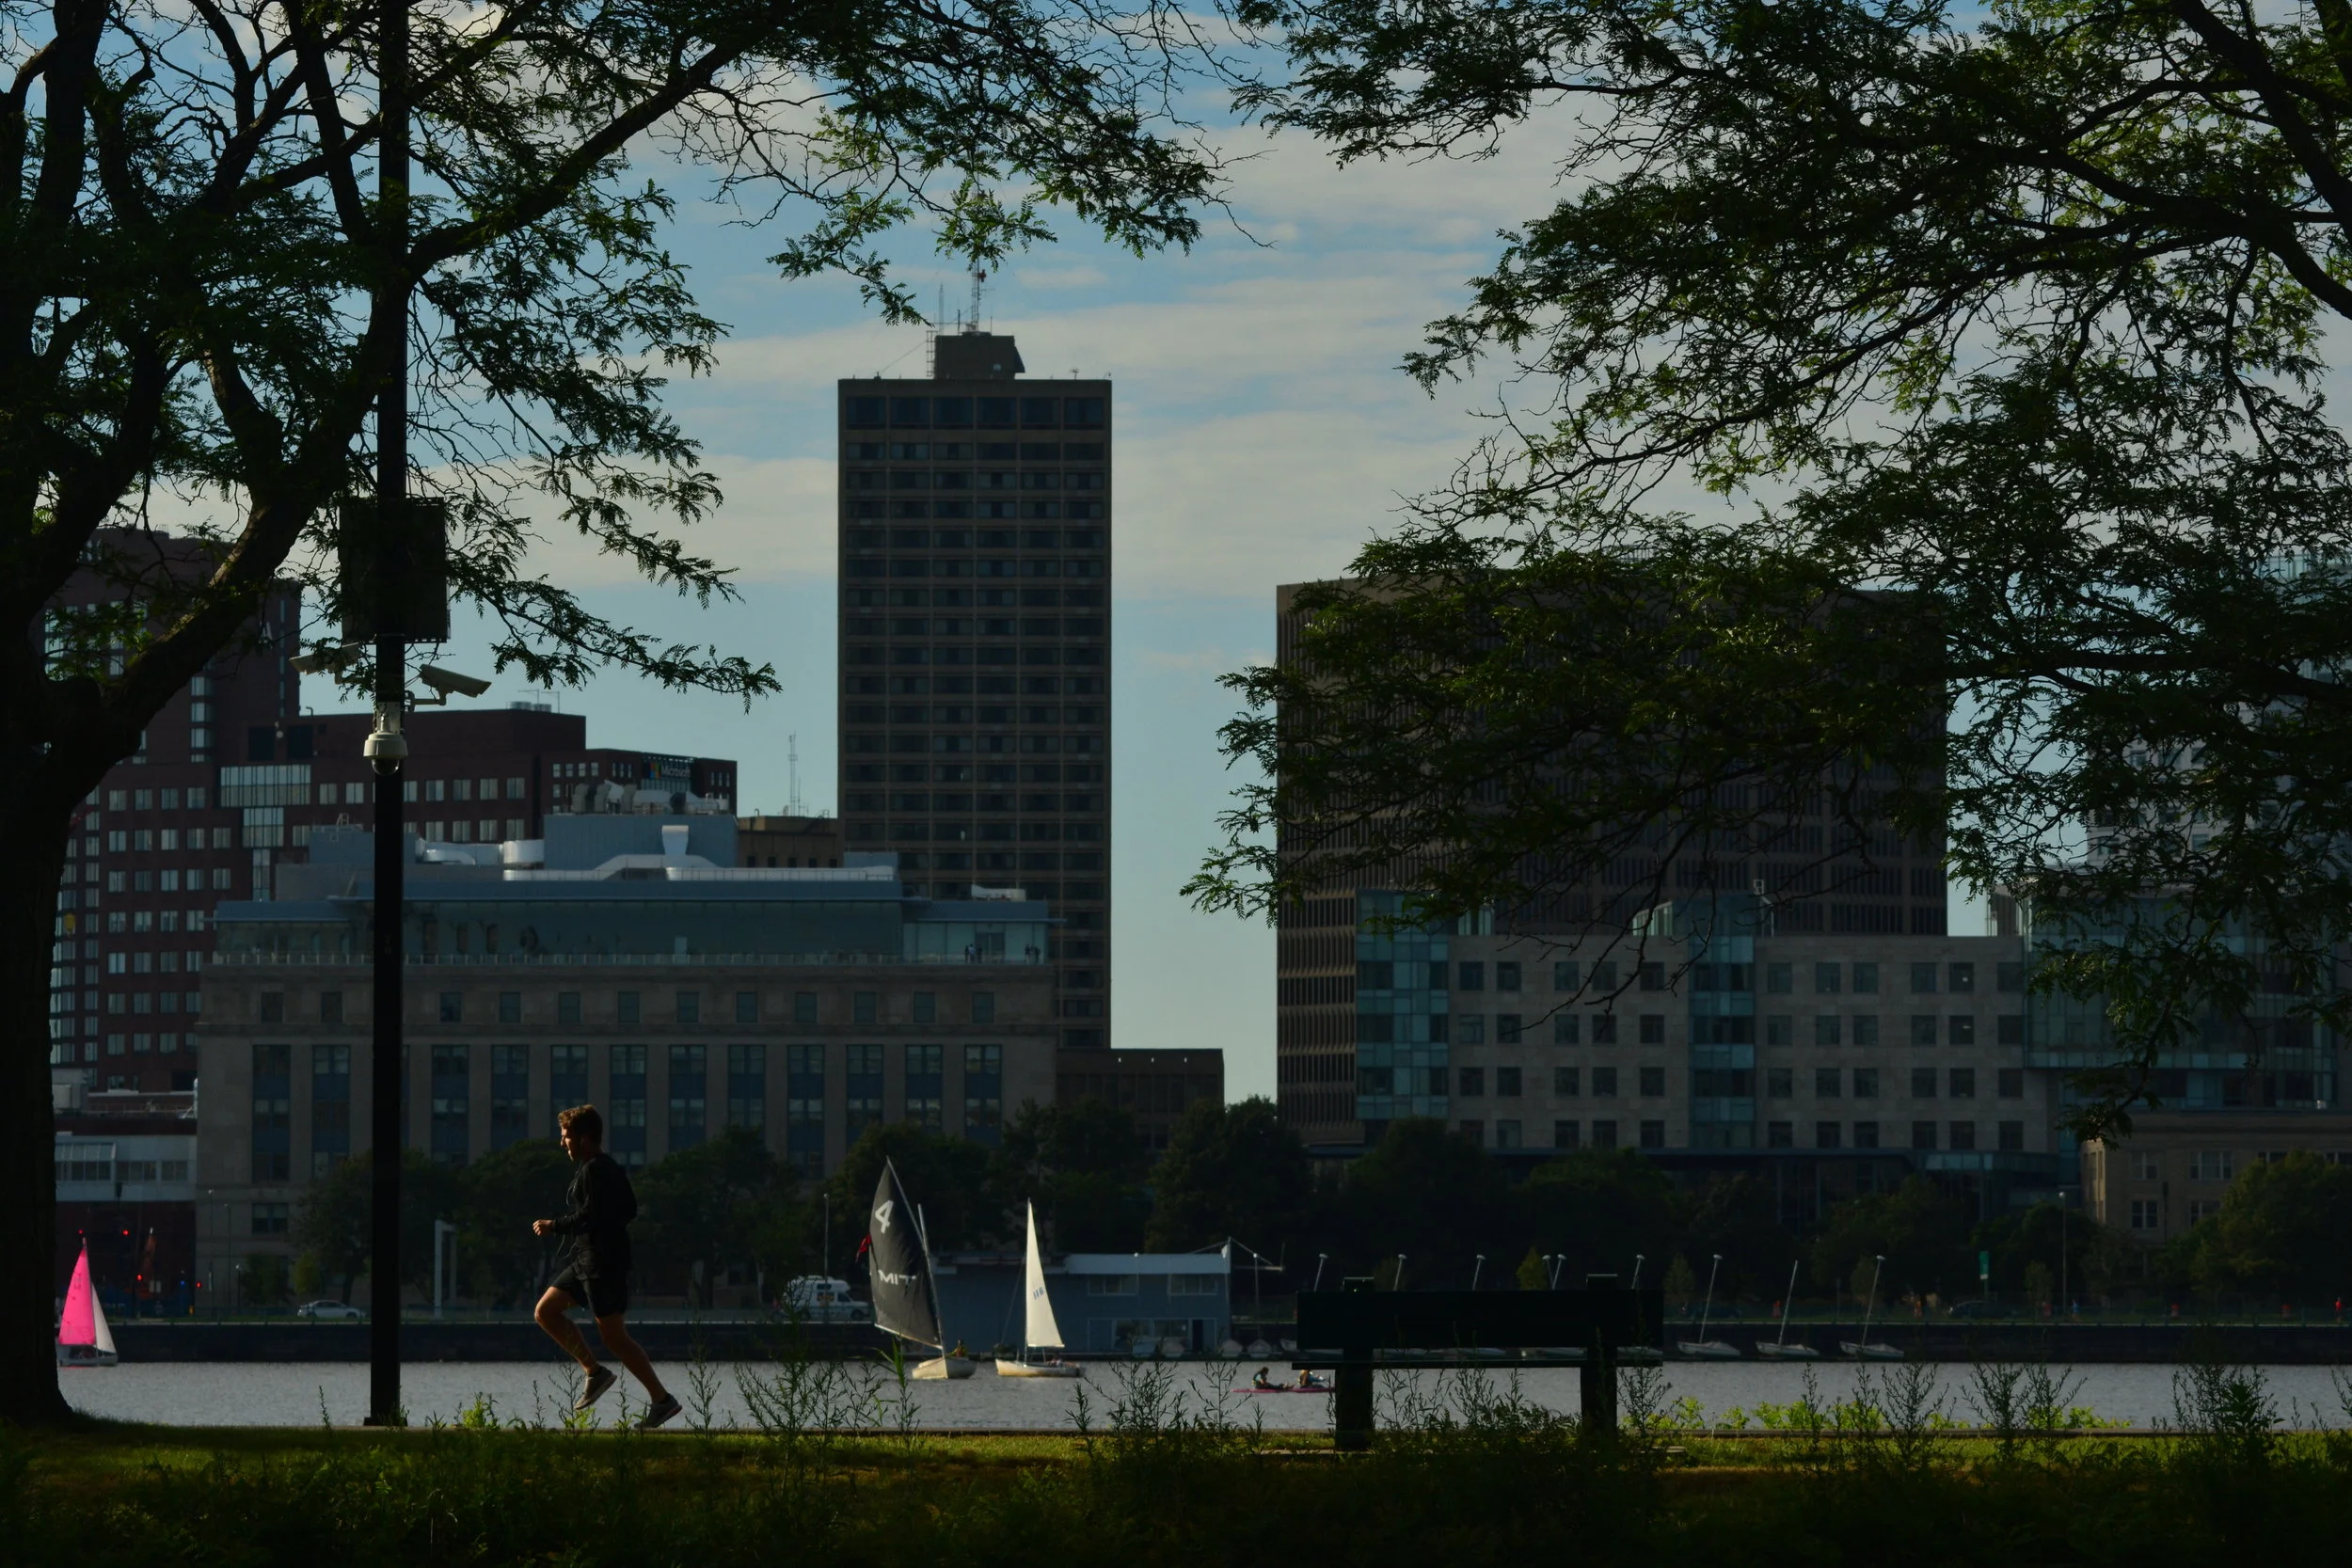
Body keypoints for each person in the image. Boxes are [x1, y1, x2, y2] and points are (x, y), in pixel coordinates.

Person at [532, 1104, 680, 1429]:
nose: (563, 1143)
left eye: (566, 1137)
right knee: (545, 1311)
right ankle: (595, 1373)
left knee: (615, 1338)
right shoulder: (602, 1168)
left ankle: (662, 1400)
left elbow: (595, 1215)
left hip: (603, 1263)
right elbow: (626, 1209)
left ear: (584, 1139)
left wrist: (553, 1225)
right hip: (586, 1259)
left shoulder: (597, 1169)